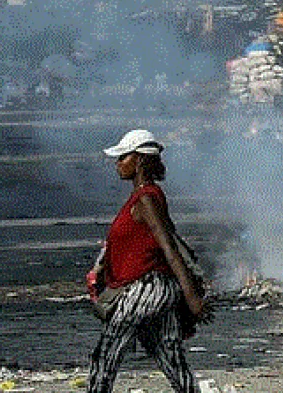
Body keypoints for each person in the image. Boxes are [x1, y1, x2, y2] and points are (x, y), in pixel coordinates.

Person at [88, 129, 206, 393]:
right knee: (170, 358)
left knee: (105, 355)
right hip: (156, 290)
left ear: (139, 160)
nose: (117, 163)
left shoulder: (146, 199)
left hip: (145, 289)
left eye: (123, 157)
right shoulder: (147, 196)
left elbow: (169, 247)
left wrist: (192, 297)